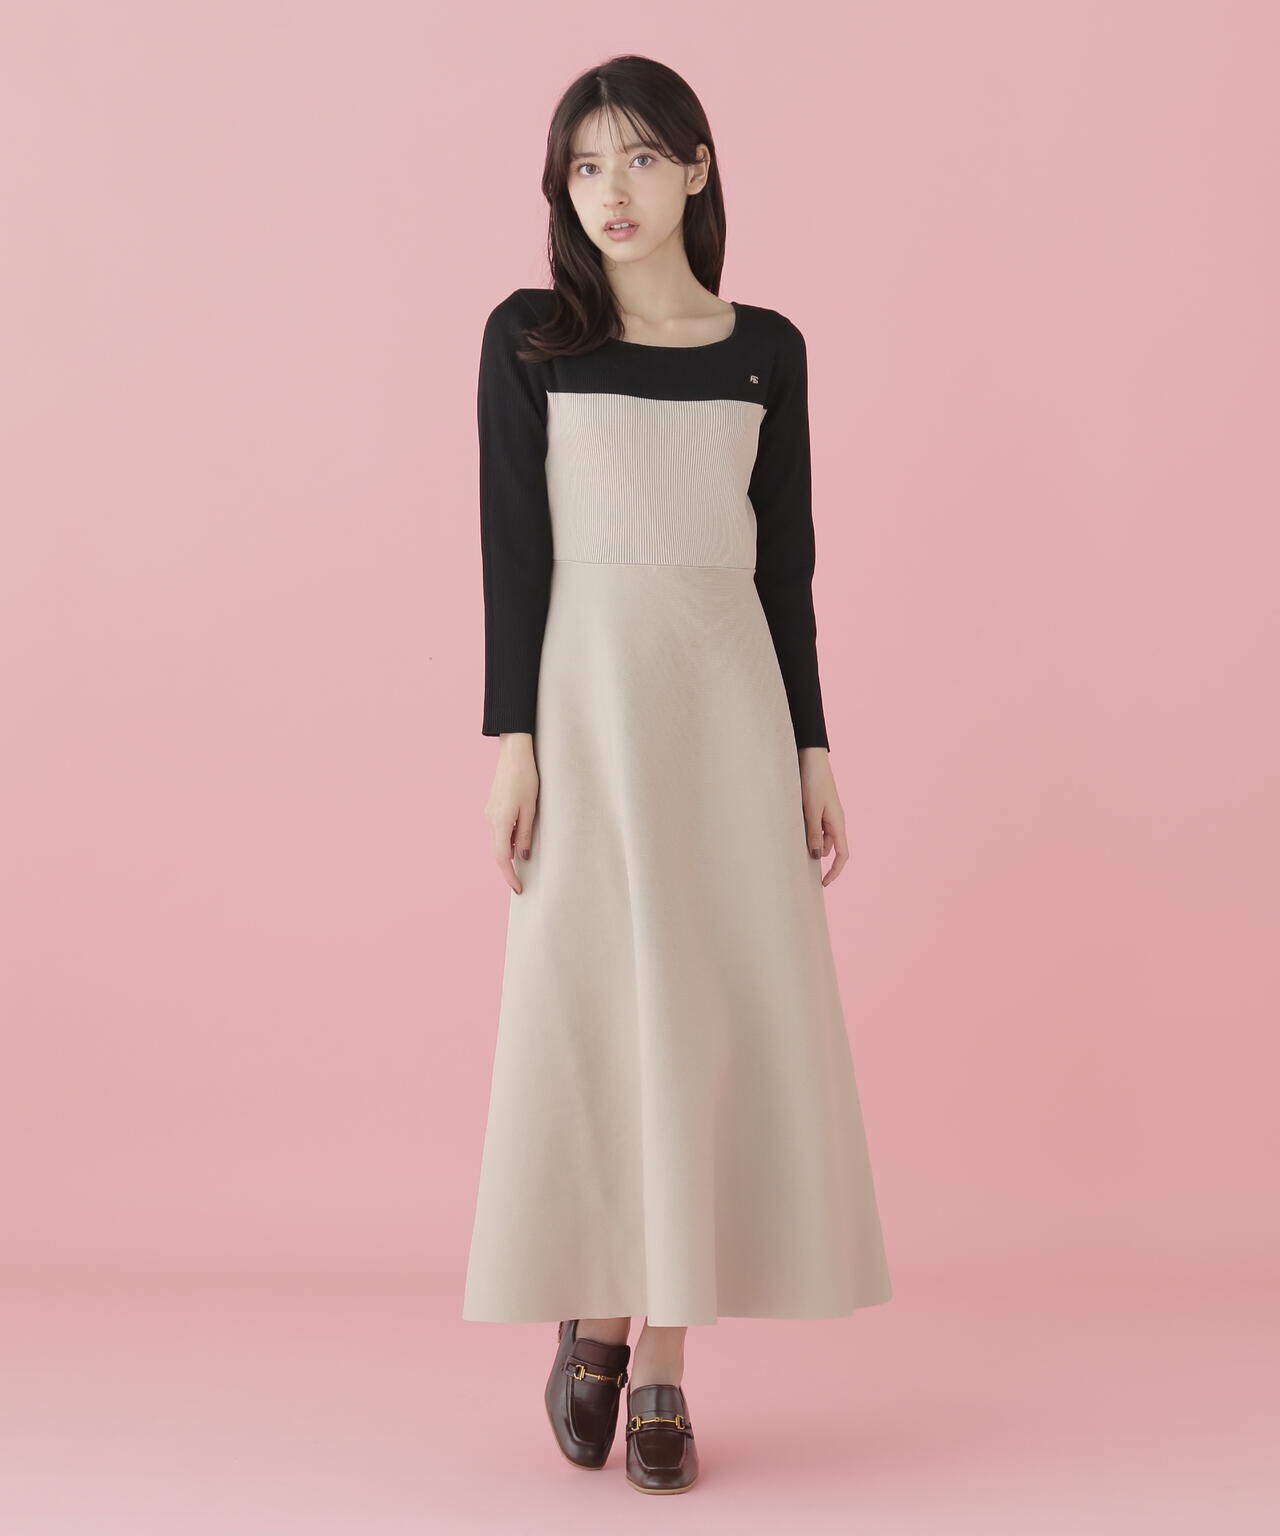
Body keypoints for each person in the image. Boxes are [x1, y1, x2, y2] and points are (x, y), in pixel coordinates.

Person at [462, 54, 892, 1495]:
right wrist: (512, 743)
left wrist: (813, 745)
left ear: (699, 168)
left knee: (706, 1015)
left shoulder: (767, 349)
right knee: (599, 1007)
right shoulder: (530, 338)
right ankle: (593, 1309)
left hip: (726, 708)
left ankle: (662, 1359)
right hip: (588, 708)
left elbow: (788, 567)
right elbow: (512, 553)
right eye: (586, 167)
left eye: (641, 159)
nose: (614, 192)